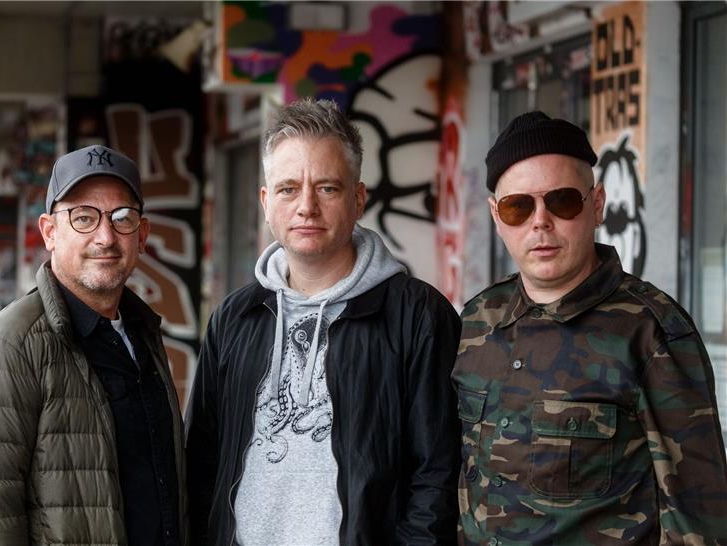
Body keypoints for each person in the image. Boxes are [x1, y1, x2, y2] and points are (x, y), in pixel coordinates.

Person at [186, 99, 461, 545]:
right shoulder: (235, 319)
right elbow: (202, 463)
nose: (306, 207)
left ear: (357, 198)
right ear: (265, 200)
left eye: (328, 188)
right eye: (288, 189)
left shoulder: (418, 316)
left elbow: (438, 474)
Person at [453, 111, 727, 545]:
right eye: (518, 206)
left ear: (596, 204)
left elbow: (699, 516)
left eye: (561, 201)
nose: (540, 221)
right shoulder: (475, 322)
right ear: (496, 216)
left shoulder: (652, 332)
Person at [0, 145, 188, 546]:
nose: (105, 236)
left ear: (142, 235)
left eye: (122, 218)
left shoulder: (141, 333)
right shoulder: (5, 349)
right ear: (49, 232)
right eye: (83, 218)